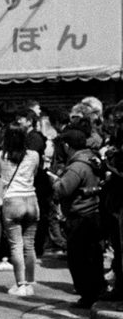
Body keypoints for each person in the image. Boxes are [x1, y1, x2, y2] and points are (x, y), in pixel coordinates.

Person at [52, 127, 105, 308]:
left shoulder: (76, 166)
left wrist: (55, 181)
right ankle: (98, 290)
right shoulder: (93, 158)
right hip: (95, 214)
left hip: (80, 218)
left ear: (67, 146)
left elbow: (63, 189)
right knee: (94, 256)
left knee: (79, 259)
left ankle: (88, 295)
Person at [0, 123, 40, 298]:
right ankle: (30, 283)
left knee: (16, 245)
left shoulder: (1, 156)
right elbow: (34, 174)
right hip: (31, 200)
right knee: (30, 245)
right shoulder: (34, 155)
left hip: (12, 201)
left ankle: (20, 284)